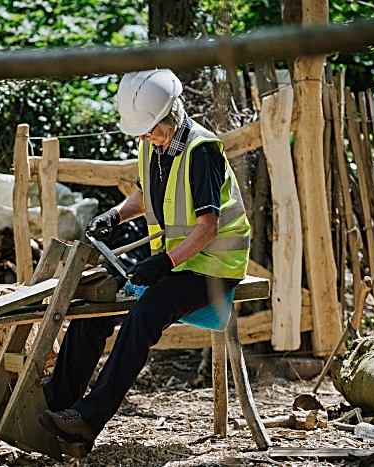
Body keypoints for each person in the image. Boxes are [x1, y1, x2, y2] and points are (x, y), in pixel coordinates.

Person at [38, 69, 251, 450]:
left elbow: (208, 228)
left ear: (172, 114)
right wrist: (116, 215)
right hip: (178, 262)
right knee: (98, 305)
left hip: (212, 267)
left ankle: (87, 420)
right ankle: (56, 401)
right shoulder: (155, 144)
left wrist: (164, 263)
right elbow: (145, 194)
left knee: (143, 315)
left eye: (150, 129)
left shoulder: (202, 151)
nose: (143, 137)